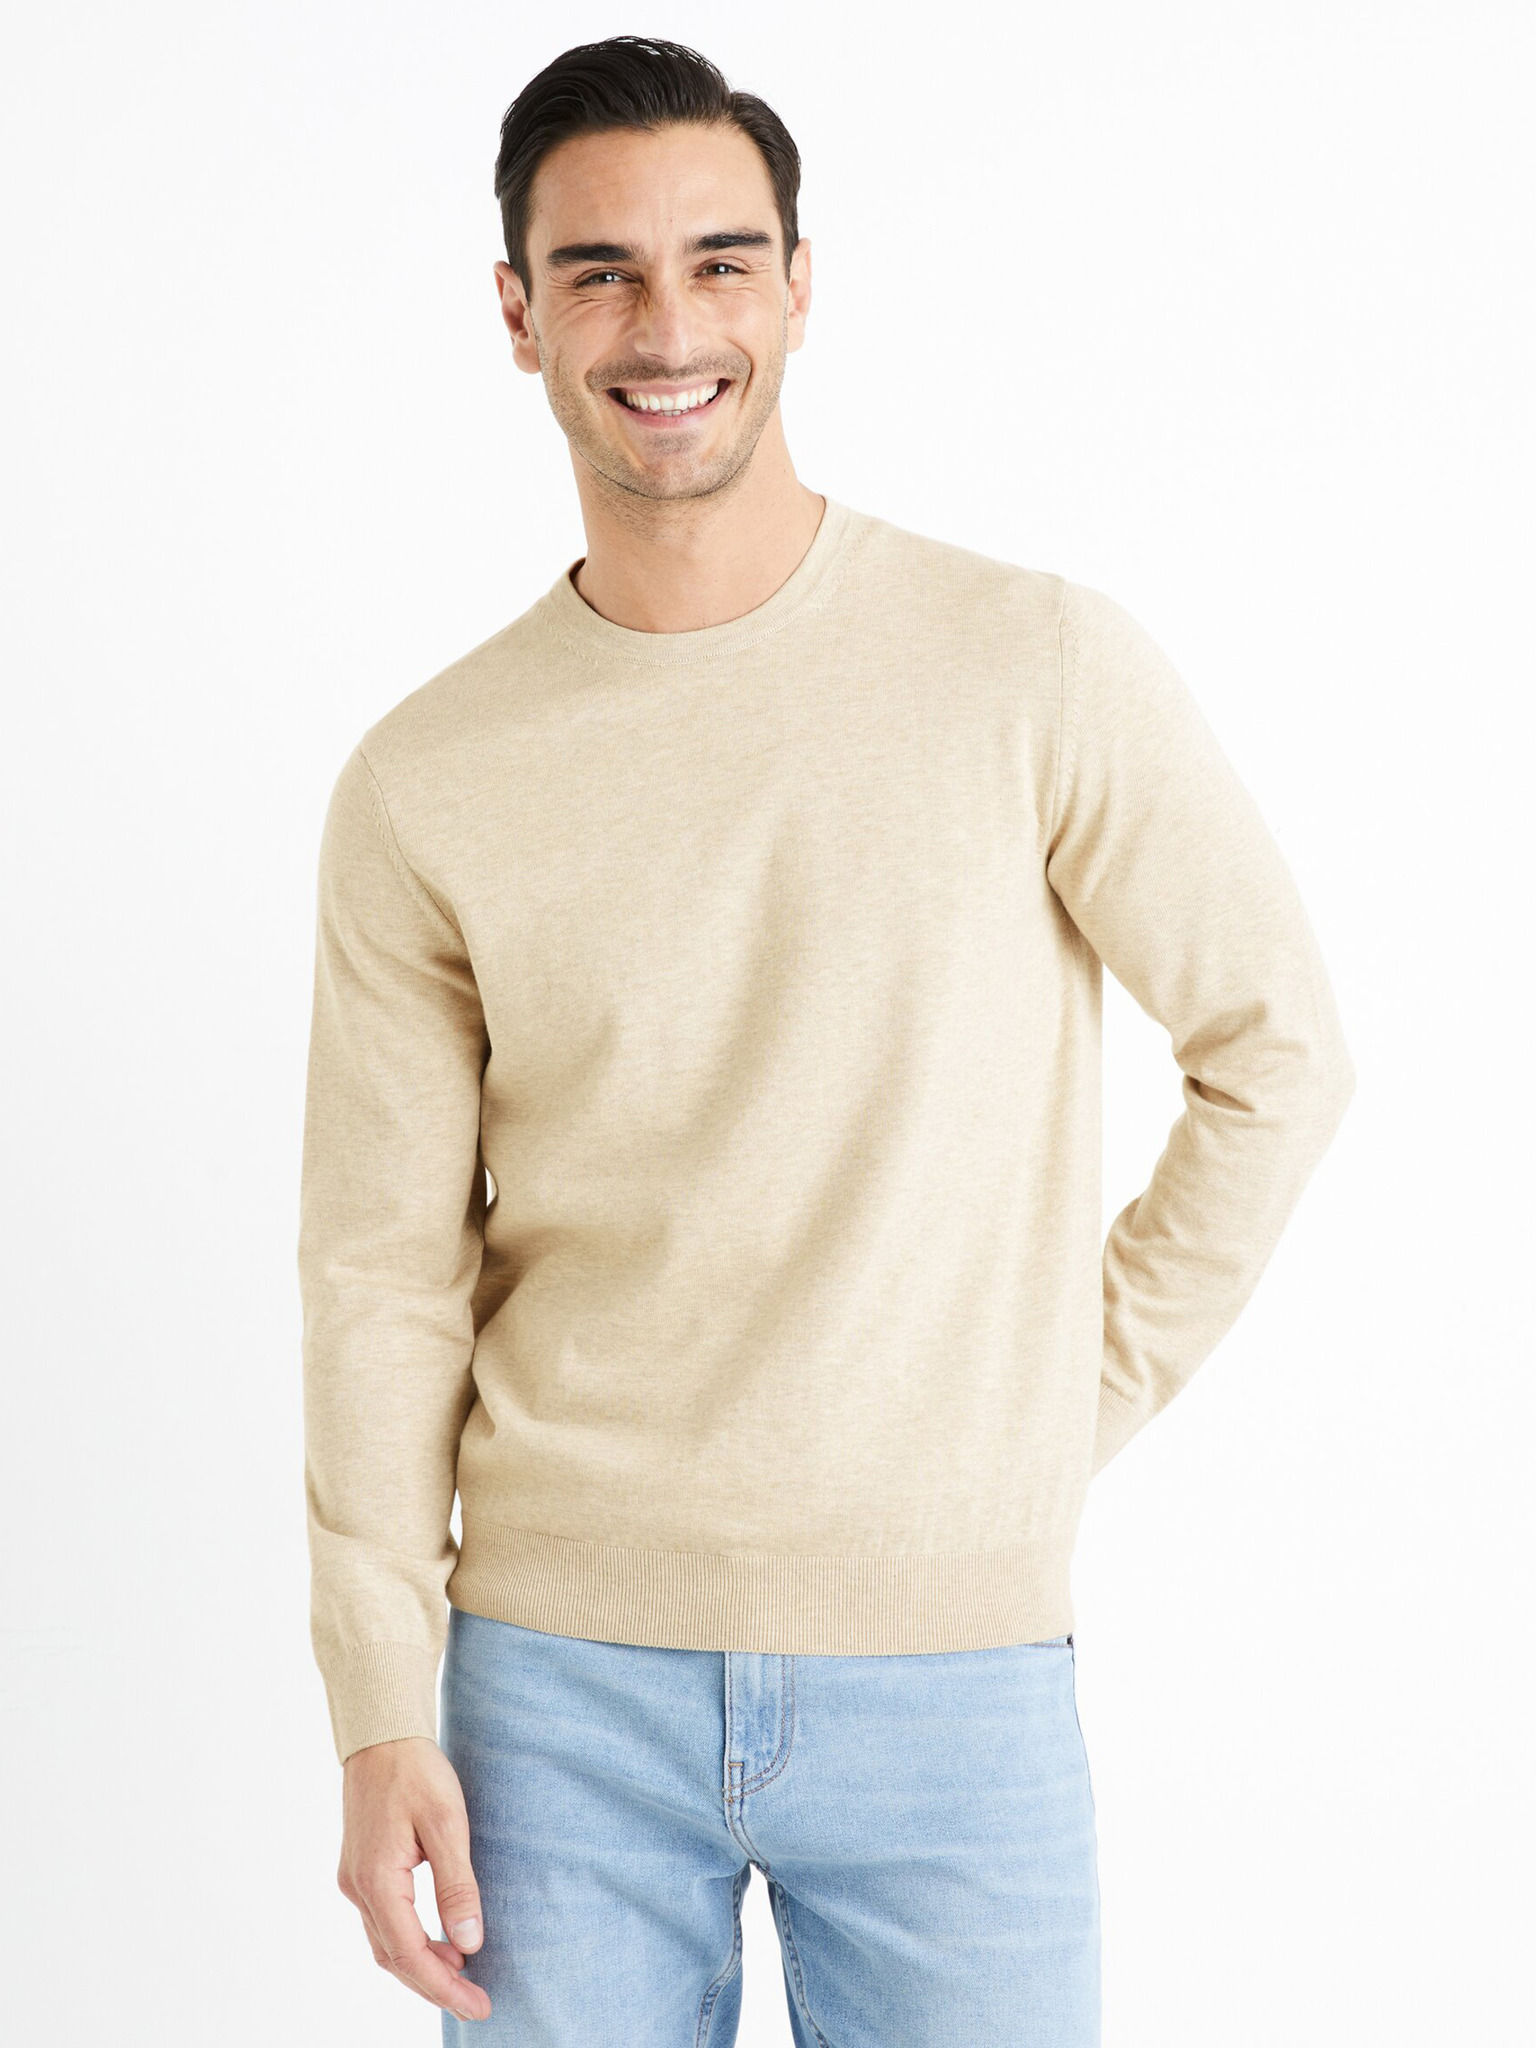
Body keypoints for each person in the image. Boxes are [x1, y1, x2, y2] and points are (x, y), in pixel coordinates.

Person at [298, 34, 1355, 2045]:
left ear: (798, 287)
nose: (667, 324)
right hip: (550, 1694)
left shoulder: (1033, 666)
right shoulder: (427, 779)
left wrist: (1052, 1404)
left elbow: (1276, 1047)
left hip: (952, 1676)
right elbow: (378, 1273)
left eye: (720, 260)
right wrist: (374, 1700)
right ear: (517, 314)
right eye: (600, 271)